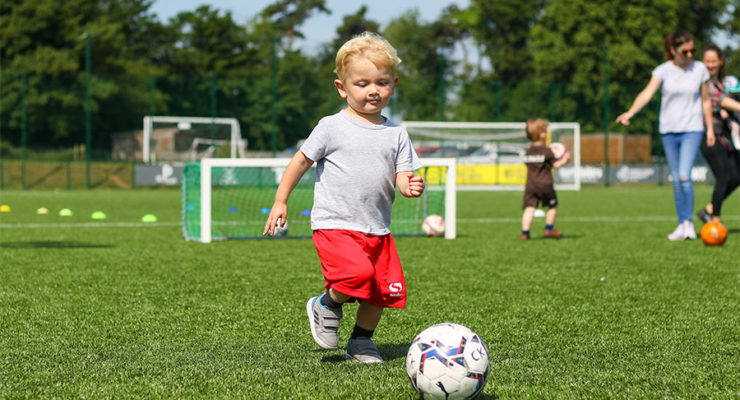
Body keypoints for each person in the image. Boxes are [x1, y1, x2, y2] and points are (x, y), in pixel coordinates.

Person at [262, 32, 425, 363]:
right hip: (335, 222)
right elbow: (301, 161)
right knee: (355, 275)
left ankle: (361, 342)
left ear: (393, 83)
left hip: (377, 228)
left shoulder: (397, 133)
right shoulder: (331, 127)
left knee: (381, 291)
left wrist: (408, 185)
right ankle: (327, 304)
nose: (373, 91)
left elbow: (402, 174)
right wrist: (281, 200)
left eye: (381, 82)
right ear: (342, 87)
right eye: (362, 83)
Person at [616, 30, 715, 241]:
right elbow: (647, 93)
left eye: (692, 50)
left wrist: (710, 129)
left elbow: (706, 100)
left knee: (684, 175)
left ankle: (688, 223)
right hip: (669, 131)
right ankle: (682, 224)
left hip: (692, 128)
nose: (689, 54)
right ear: (673, 50)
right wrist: (630, 112)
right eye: (684, 50)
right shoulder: (663, 71)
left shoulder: (700, 69)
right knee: (677, 181)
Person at [696, 45, 740, 224]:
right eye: (707, 61)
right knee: (723, 176)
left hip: (724, 136)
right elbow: (719, 100)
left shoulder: (724, 82)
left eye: (714, 61)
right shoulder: (703, 82)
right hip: (708, 134)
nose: (710, 65)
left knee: (737, 176)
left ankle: (708, 210)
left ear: (721, 61)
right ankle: (715, 220)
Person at [520, 118, 570, 240]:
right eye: (546, 131)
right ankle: (549, 229)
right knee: (553, 206)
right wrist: (565, 159)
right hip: (545, 184)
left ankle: (525, 233)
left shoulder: (528, 152)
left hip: (531, 185)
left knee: (529, 208)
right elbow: (556, 165)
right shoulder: (547, 152)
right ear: (542, 134)